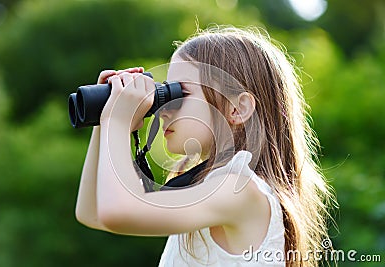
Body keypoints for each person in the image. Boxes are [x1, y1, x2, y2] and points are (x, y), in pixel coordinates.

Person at [74, 26, 334, 267]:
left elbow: (115, 213)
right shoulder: (212, 185)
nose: (163, 111)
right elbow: (93, 213)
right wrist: (104, 121)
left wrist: (117, 119)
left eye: (180, 94)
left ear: (237, 108)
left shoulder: (240, 190)